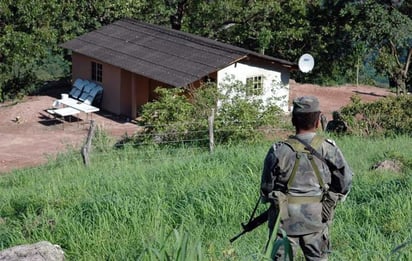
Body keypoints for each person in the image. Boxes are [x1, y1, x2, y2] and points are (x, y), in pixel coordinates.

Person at [260, 96, 353, 260]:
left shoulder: (278, 150)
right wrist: (328, 200)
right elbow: (344, 182)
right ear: (318, 121)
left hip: (283, 223)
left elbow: (267, 188)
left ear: (293, 120)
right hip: (317, 219)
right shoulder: (328, 148)